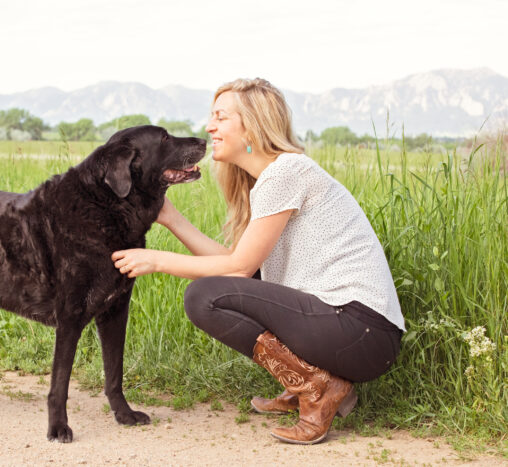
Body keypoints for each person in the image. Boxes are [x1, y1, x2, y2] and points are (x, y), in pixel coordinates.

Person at [111, 78, 405, 445]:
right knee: (213, 291)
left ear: (251, 124)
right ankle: (309, 383)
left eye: (221, 117)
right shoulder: (271, 179)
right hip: (351, 333)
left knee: (204, 296)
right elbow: (242, 267)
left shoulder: (287, 173)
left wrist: (155, 259)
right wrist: (171, 219)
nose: (209, 127)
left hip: (360, 330)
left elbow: (234, 270)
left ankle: (317, 387)